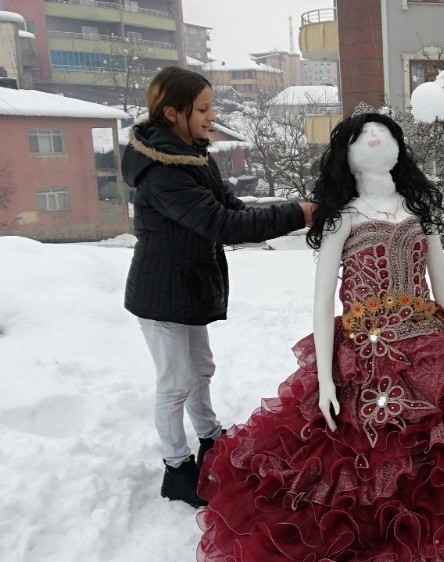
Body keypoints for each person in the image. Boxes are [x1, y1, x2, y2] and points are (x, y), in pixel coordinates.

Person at [196, 111, 444, 562]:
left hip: (428, 345)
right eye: (363, 135)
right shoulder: (340, 218)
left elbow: (442, 286)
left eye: (384, 133)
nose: (374, 139)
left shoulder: (418, 214)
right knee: (361, 456)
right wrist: (327, 381)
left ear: (399, 147)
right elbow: (323, 298)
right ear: (344, 154)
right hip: (363, 353)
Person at [121, 66, 314, 509]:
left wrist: (296, 209)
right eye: (203, 109)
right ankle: (176, 468)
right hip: (161, 291)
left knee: (200, 368)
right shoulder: (163, 169)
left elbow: (232, 207)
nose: (212, 117)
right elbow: (221, 224)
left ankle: (209, 438)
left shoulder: (193, 156)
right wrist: (298, 214)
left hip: (186, 287)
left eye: (212, 107)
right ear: (172, 112)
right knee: (174, 382)